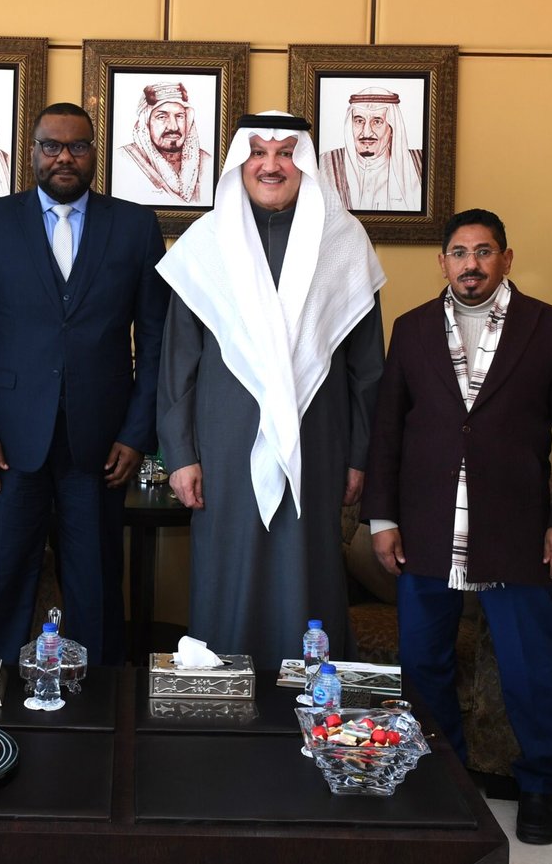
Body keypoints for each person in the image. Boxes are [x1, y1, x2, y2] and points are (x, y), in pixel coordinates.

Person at [360, 208, 552, 845]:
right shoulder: (410, 330)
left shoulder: (551, 329)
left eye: (484, 251)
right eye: (459, 253)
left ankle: (538, 785)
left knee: (530, 666)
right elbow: (388, 430)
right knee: (423, 661)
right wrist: (383, 518)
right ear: (443, 263)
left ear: (506, 259)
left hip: (517, 529)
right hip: (428, 526)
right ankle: (446, 778)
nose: (471, 264)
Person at [157, 111, 386, 669]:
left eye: (285, 153)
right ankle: (223, 696)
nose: (271, 165)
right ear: (240, 162)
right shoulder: (206, 243)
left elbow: (367, 369)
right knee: (227, 570)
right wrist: (180, 456)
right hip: (224, 450)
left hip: (320, 445)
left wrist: (359, 457)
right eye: (258, 152)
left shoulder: (343, 241)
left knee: (308, 572)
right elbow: (177, 364)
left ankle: (312, 697)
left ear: (303, 162)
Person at [0, 102, 167, 665]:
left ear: (94, 154)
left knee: (96, 589)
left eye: (77, 146)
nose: (64, 157)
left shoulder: (135, 226)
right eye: (52, 146)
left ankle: (97, 712)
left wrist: (137, 433)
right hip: (8, 444)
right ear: (33, 153)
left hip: (101, 445)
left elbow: (156, 344)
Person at [319, 87, 423, 211]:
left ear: (392, 128)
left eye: (377, 121)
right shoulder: (326, 163)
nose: (366, 132)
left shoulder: (420, 164)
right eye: (359, 121)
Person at [112, 81, 214, 206]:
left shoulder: (207, 162)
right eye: (162, 117)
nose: (173, 126)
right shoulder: (124, 159)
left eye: (179, 116)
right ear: (146, 123)